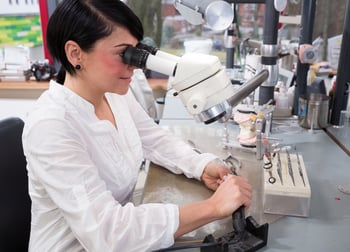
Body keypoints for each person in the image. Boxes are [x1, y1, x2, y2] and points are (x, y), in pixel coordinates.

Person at [22, 0, 253, 251]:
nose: (134, 64)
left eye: (136, 51)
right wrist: (213, 207)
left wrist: (202, 165)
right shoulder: (51, 127)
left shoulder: (113, 93)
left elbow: (154, 139)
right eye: (123, 53)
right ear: (75, 53)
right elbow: (107, 234)